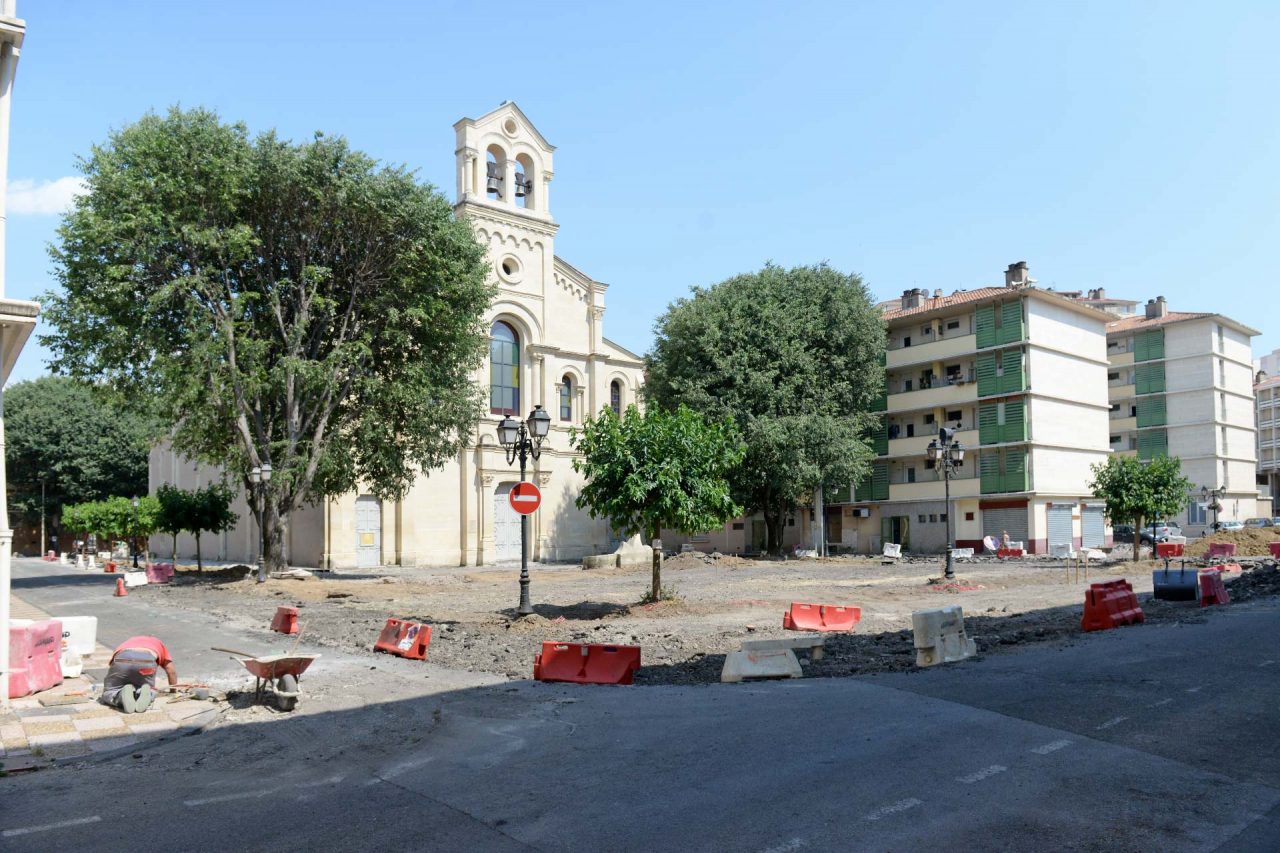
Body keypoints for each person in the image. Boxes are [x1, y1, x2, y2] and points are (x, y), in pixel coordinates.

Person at [100, 635, 177, 714]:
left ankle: (118, 696)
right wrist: (173, 691)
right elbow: (171, 671)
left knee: (111, 690)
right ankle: (146, 693)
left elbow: (114, 666)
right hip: (147, 660)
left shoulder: (129, 641)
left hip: (123, 658)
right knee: (146, 687)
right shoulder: (158, 643)